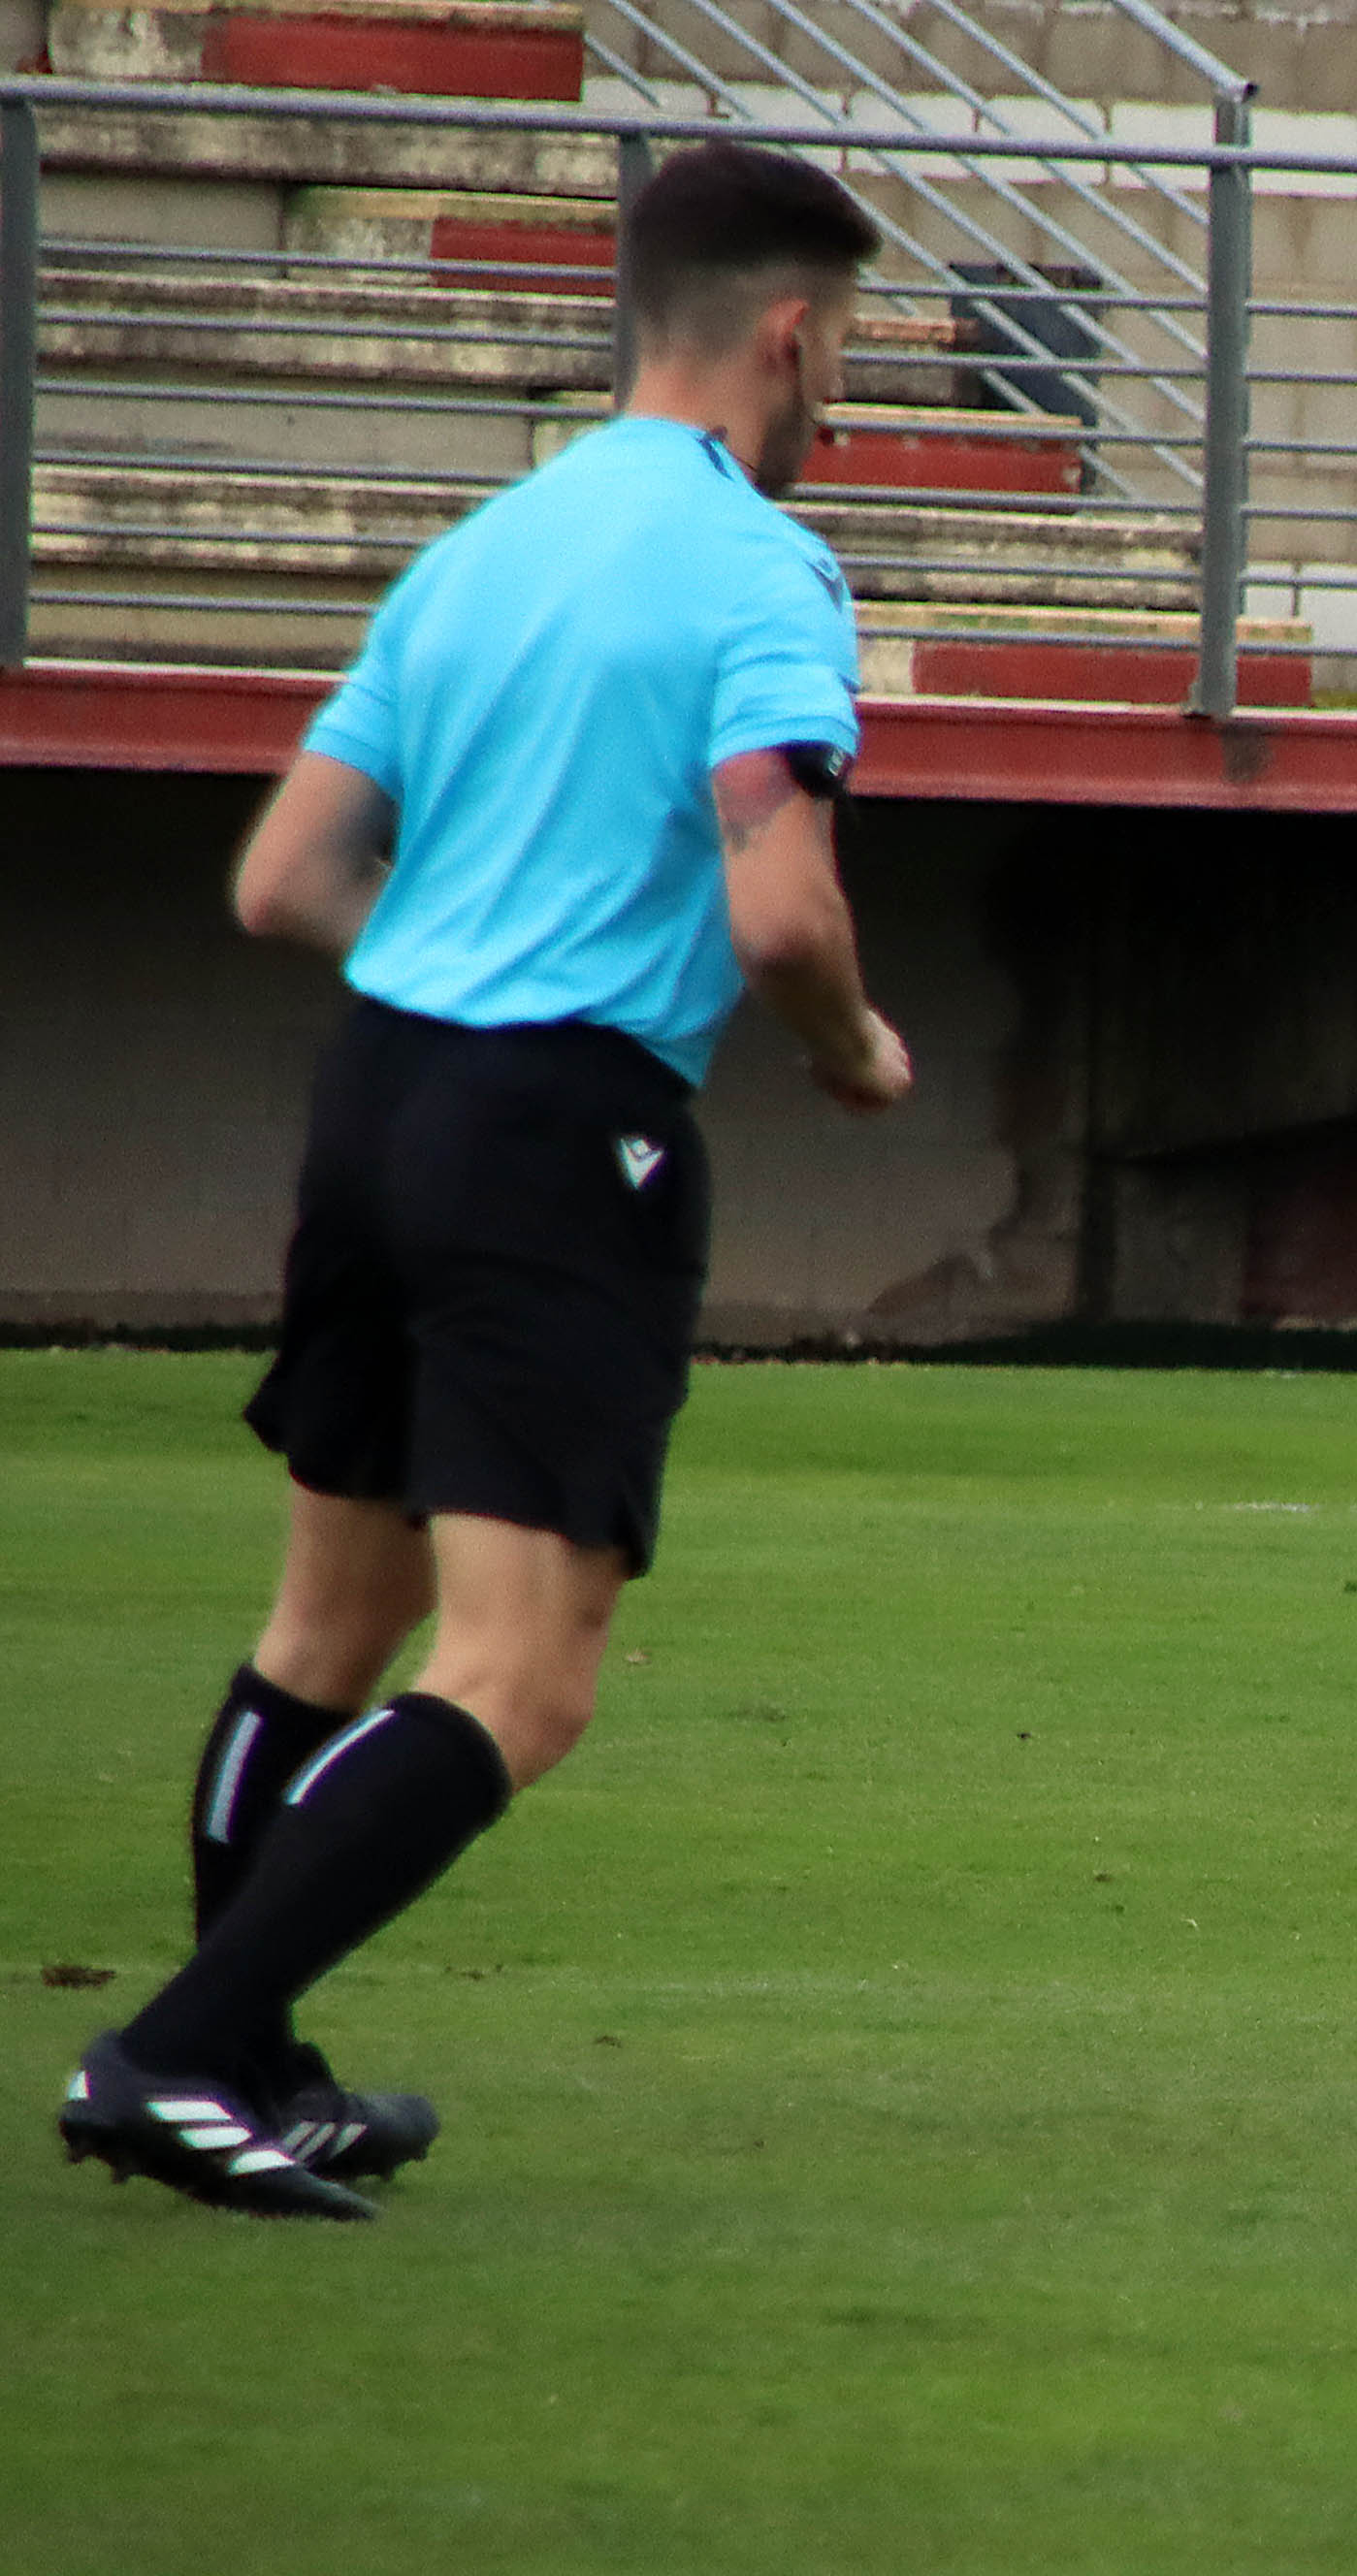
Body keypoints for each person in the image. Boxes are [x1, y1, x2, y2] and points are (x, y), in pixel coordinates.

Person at [54, 142, 915, 2219]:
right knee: (523, 1669)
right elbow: (784, 912)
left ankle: (250, 2061)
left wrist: (455, 980)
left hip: (381, 1091)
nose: (844, 404)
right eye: (846, 357)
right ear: (787, 335)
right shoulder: (760, 572)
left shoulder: (478, 546)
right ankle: (171, 2051)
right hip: (557, 1130)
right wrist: (853, 1046)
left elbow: (286, 880)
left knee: (328, 1619)